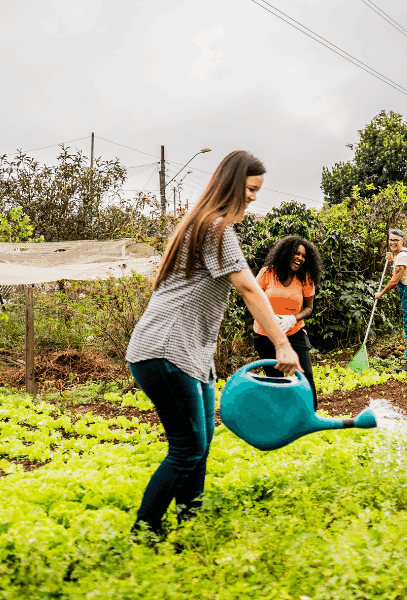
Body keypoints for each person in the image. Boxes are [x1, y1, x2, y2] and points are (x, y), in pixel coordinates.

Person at [125, 150, 300, 539]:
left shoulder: (203, 225)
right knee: (186, 448)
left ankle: (190, 528)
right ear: (233, 184)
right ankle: (143, 536)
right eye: (251, 189)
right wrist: (282, 345)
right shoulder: (216, 227)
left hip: (188, 356)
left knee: (199, 447)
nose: (254, 197)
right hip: (166, 351)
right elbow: (249, 289)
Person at [252, 235, 323, 408]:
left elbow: (309, 308)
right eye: (296, 253)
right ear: (285, 253)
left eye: (303, 256)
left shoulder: (305, 278)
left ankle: (312, 416)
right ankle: (282, 417)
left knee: (305, 376)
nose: (300, 258)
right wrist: (269, 317)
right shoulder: (267, 273)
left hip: (294, 331)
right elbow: (253, 299)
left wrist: (292, 319)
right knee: (276, 380)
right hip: (265, 334)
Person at [374, 229, 407, 372]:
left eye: (396, 240)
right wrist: (392, 261)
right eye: (390, 240)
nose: (392, 243)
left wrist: (380, 294)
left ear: (402, 241)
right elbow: (401, 270)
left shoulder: (402, 257)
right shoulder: (403, 254)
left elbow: (394, 281)